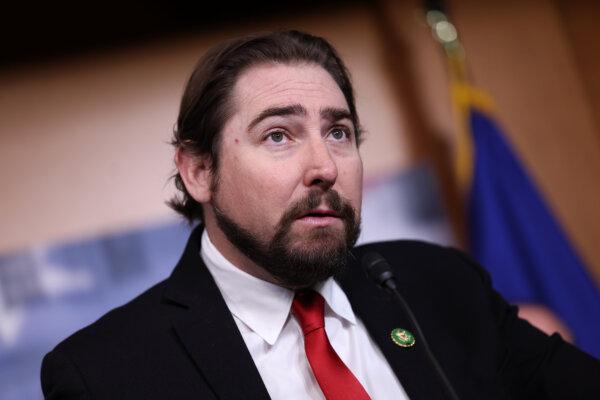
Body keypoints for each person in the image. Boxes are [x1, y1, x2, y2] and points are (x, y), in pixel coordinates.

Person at [41, 30, 600, 400]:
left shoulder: (440, 285)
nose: (325, 167)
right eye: (278, 135)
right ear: (198, 171)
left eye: (339, 132)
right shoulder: (104, 374)